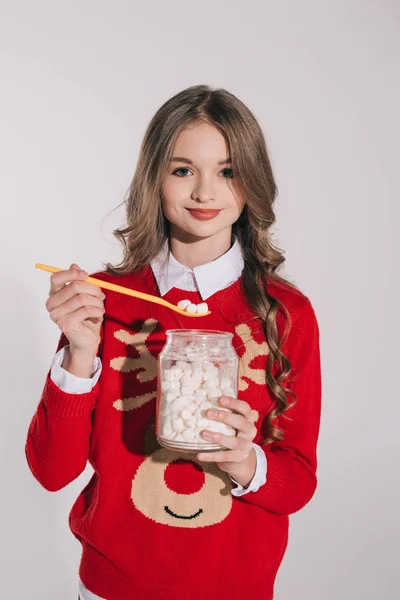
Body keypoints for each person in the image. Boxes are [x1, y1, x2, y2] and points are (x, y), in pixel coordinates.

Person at [26, 84, 322, 600]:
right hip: (111, 585)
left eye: (227, 171)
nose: (205, 193)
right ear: (154, 179)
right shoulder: (105, 302)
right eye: (183, 170)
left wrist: (246, 462)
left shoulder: (284, 314)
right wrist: (78, 352)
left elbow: (298, 481)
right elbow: (53, 472)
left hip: (236, 586)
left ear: (252, 182)